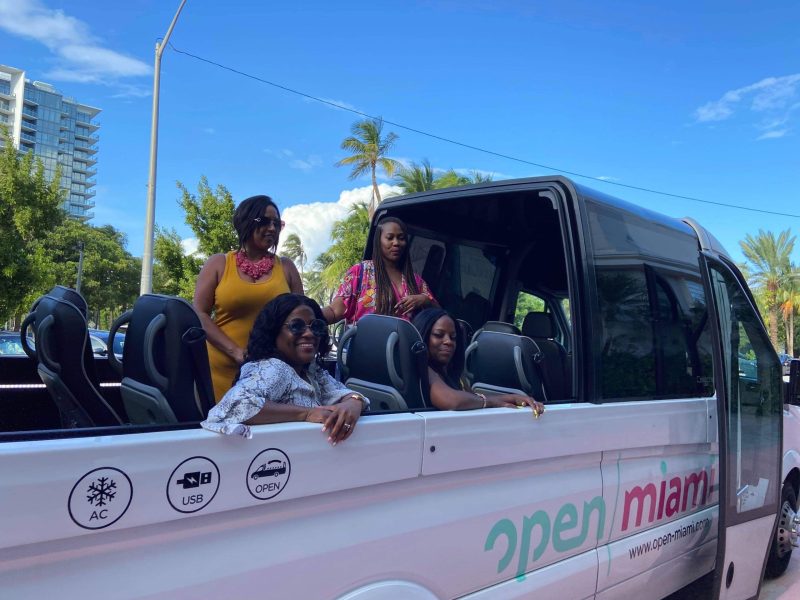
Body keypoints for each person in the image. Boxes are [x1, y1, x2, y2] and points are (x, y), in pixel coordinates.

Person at [202, 294, 368, 442]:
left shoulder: (310, 371)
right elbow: (232, 406)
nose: (309, 334)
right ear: (274, 332)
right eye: (296, 326)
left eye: (315, 326)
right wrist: (306, 414)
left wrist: (353, 404)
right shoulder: (274, 368)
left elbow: (341, 393)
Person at [194, 195, 303, 402]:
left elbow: (302, 319)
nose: (272, 228)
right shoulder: (218, 264)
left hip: (271, 375)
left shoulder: (286, 267)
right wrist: (236, 352)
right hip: (220, 372)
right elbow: (199, 314)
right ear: (245, 222)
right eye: (263, 221)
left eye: (276, 223)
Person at [412, 308, 546, 414]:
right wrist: (491, 402)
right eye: (438, 335)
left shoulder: (451, 374)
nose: (448, 342)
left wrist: (511, 398)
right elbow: (451, 401)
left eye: (453, 337)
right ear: (423, 336)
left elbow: (470, 397)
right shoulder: (425, 370)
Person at [322, 217, 437, 325]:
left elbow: (440, 317)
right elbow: (334, 311)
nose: (396, 243)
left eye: (401, 238)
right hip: (367, 345)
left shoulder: (415, 280)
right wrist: (309, 317)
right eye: (390, 237)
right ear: (378, 241)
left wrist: (425, 300)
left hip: (407, 345)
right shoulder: (360, 272)